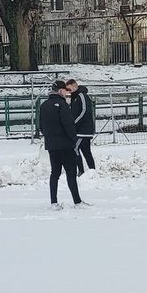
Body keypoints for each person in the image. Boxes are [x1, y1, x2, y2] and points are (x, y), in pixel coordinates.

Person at [37, 80, 84, 208]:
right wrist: (73, 139)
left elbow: (40, 125)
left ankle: (54, 202)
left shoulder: (44, 105)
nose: (67, 93)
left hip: (51, 145)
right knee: (71, 173)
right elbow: (68, 125)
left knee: (55, 173)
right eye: (65, 91)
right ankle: (77, 201)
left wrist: (49, 137)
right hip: (65, 145)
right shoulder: (62, 105)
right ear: (61, 91)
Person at [65, 78, 96, 175]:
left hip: (83, 129)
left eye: (69, 89)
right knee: (86, 151)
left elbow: (84, 111)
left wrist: (74, 123)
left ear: (75, 86)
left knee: (74, 149)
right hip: (81, 129)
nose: (68, 92)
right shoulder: (74, 97)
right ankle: (92, 171)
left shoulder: (82, 95)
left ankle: (81, 171)